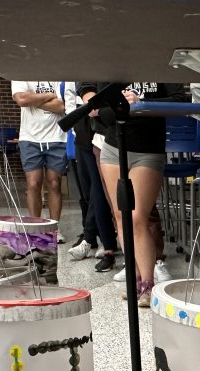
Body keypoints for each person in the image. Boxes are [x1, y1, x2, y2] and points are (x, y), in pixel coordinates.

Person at [90, 81, 186, 307]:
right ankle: (134, 279)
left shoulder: (160, 66)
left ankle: (148, 282)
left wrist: (142, 103)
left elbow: (180, 101)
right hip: (113, 147)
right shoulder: (115, 68)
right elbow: (100, 112)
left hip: (148, 149)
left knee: (137, 217)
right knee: (121, 217)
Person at [11, 80, 73, 235]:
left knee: (54, 183)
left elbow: (61, 107)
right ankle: (35, 229)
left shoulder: (57, 73)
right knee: (33, 184)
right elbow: (21, 100)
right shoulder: (21, 74)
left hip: (57, 137)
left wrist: (33, 99)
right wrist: (49, 96)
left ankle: (53, 230)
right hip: (29, 138)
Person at [69, 85, 119, 268]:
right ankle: (93, 237)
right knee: (91, 193)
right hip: (83, 136)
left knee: (101, 194)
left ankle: (105, 245)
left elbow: (95, 104)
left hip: (105, 133)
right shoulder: (78, 78)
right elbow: (89, 98)